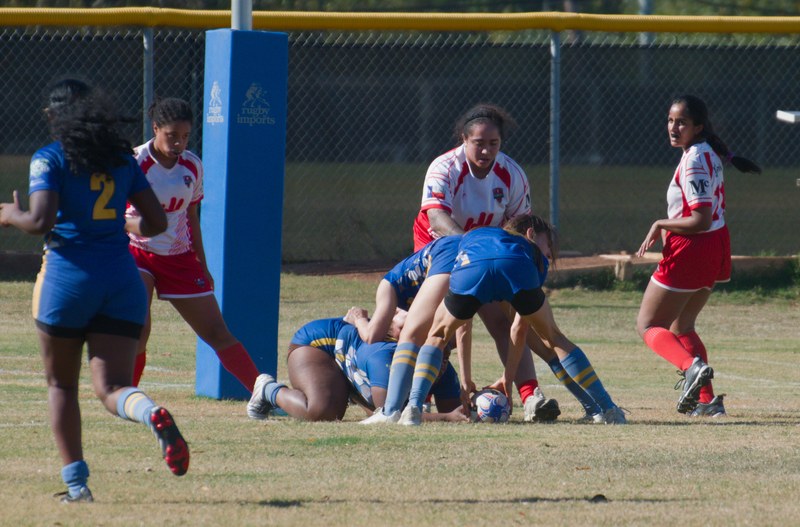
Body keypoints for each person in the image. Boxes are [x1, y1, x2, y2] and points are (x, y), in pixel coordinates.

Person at [0, 79, 190, 503]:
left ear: (54, 116)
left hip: (69, 279)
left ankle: (77, 486)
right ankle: (151, 412)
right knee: (113, 386)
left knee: (62, 387)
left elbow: (41, 221)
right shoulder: (122, 159)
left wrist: (11, 213)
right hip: (122, 279)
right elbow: (157, 223)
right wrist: (121, 226)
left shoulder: (49, 158)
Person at [396, 215, 627, 426]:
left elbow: (464, 325)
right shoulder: (530, 253)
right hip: (516, 267)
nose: (549, 254)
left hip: (471, 266)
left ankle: (414, 408)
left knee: (437, 335)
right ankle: (608, 410)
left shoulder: (474, 237)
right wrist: (507, 379)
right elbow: (519, 328)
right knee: (554, 340)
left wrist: (466, 381)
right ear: (530, 234)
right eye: (548, 246)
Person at [405, 102, 554, 421]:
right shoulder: (443, 167)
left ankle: (531, 397)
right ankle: (421, 398)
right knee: (435, 325)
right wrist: (470, 245)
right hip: (440, 247)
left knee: (505, 319)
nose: (486, 150)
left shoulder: (512, 174)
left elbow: (518, 227)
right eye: (478, 143)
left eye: (493, 143)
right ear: (463, 139)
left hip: (486, 253)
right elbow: (435, 215)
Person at [124, 98, 264, 418]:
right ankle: (125, 398)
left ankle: (262, 393)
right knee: (139, 327)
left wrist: (202, 263)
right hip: (136, 253)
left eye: (185, 136)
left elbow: (191, 216)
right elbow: (113, 213)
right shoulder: (134, 162)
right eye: (172, 135)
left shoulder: (192, 165)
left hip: (178, 257)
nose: (179, 143)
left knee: (217, 332)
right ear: (155, 129)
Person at [635, 94, 761, 416]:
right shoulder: (705, 153)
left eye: (682, 122)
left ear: (698, 127)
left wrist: (660, 222)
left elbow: (700, 218)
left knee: (648, 324)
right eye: (670, 120)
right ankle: (707, 403)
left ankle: (690, 367)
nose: (674, 127)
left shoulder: (694, 159)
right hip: (715, 246)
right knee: (683, 326)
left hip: (694, 246)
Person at [248, 314, 468, 423]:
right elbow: (389, 414)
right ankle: (268, 390)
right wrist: (446, 418)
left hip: (351, 359)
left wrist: (480, 407)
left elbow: (457, 410)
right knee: (322, 412)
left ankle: (345, 388)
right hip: (320, 344)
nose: (441, 356)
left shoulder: (442, 367)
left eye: (446, 349)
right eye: (434, 346)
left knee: (366, 401)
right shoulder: (386, 355)